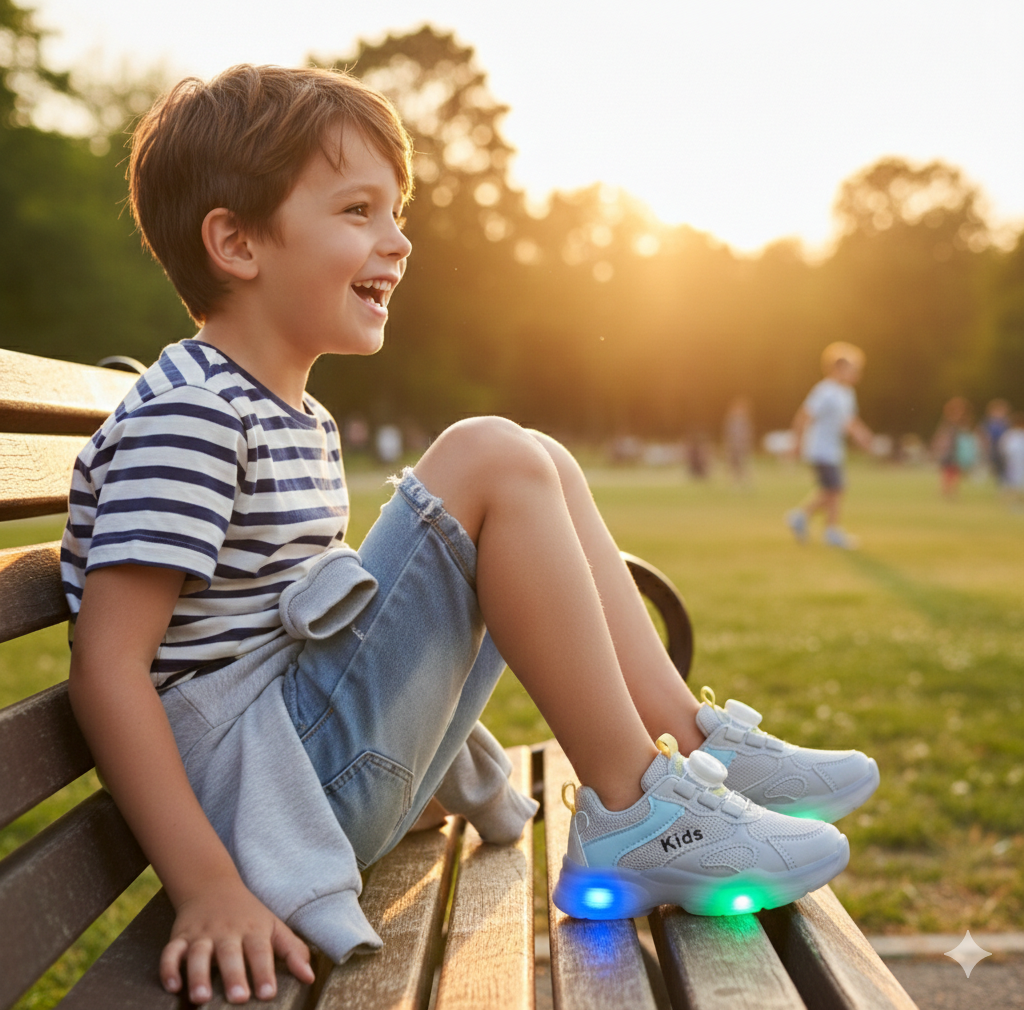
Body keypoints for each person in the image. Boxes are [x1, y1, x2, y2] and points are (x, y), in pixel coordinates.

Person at [61, 66, 879, 1006]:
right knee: (491, 453)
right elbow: (109, 667)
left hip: (309, 778)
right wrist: (208, 890)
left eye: (395, 211)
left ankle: (686, 741)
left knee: (537, 456)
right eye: (359, 210)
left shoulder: (283, 412)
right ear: (236, 242)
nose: (397, 241)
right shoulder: (193, 417)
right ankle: (633, 807)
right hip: (274, 811)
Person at [786, 343, 874, 548]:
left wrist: (864, 436)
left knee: (831, 490)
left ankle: (802, 517)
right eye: (853, 369)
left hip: (833, 450)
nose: (856, 374)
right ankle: (828, 529)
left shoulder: (846, 393)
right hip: (819, 448)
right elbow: (804, 416)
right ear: (839, 369)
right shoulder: (824, 391)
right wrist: (796, 443)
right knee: (836, 488)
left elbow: (849, 421)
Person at [931, 397, 977, 500]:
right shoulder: (949, 422)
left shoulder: (961, 422)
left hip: (956, 451)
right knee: (948, 471)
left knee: (954, 471)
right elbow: (941, 435)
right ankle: (946, 492)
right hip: (949, 450)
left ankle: (951, 492)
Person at [722, 396, 754, 485]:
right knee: (733, 465)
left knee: (743, 464)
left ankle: (746, 482)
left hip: (742, 446)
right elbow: (728, 433)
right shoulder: (731, 420)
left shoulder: (744, 420)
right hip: (733, 446)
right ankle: (735, 482)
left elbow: (748, 433)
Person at [981, 398, 1011, 485]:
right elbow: (985, 436)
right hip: (994, 449)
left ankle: (1003, 484)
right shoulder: (989, 423)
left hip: (1004, 448)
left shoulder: (1006, 423)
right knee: (995, 468)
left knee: (1003, 468)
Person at [998, 411, 1024, 508]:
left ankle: (1015, 502)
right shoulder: (1011, 435)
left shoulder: (1010, 435)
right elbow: (1004, 449)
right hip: (1013, 463)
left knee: (1016, 483)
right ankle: (1011, 503)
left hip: (1016, 462)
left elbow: (1003, 448)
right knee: (1013, 483)